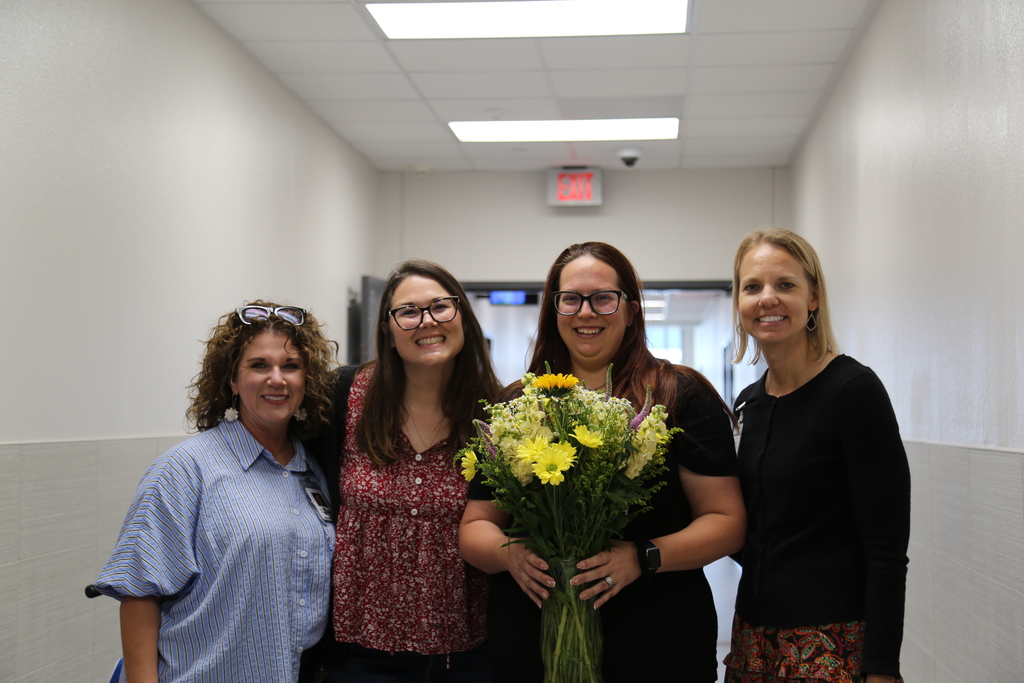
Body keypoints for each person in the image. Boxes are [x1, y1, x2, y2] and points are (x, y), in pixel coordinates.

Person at [459, 242, 746, 683]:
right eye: (570, 299)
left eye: (603, 298)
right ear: (553, 310)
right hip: (534, 641)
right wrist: (509, 554)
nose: (585, 312)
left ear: (631, 310)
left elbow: (726, 520)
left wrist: (644, 556)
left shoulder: (679, 396)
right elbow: (475, 525)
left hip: (657, 642)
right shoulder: (517, 404)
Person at [93, 302, 340, 683]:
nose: (277, 379)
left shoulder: (312, 469)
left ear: (306, 380)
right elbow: (140, 593)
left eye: (290, 366)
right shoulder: (186, 469)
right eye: (259, 365)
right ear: (232, 380)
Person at [724, 228, 910, 683]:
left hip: (832, 645)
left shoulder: (853, 391)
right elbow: (757, 529)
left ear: (813, 298)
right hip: (753, 638)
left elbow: (886, 551)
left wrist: (882, 669)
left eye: (785, 285)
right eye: (753, 287)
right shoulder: (750, 402)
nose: (767, 298)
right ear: (740, 303)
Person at [309, 259, 501, 682]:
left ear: (462, 317)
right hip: (358, 654)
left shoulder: (497, 417)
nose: (427, 321)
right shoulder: (343, 396)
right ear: (387, 330)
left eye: (440, 307)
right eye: (409, 311)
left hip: (467, 656)